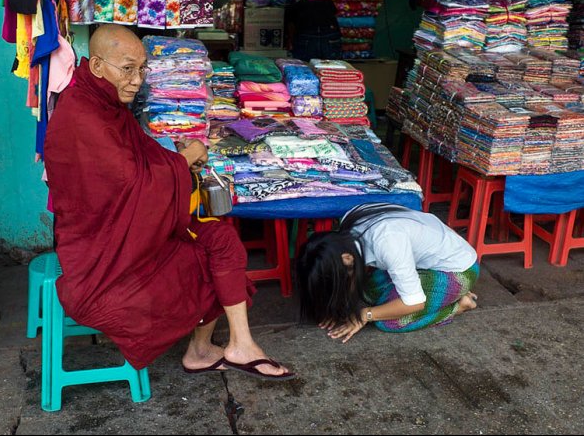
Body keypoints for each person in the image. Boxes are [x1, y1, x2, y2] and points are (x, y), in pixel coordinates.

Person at [43, 25, 293, 380]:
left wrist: (174, 158)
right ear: (97, 66)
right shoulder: (81, 114)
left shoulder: (105, 101)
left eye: (142, 69)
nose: (136, 80)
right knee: (201, 264)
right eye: (127, 68)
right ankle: (209, 348)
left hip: (133, 229)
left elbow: (136, 161)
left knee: (222, 240)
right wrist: (186, 158)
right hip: (103, 250)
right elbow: (131, 182)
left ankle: (231, 345)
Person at [296, 203, 480, 343]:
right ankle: (445, 296)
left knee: (389, 321)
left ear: (347, 259)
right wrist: (336, 306)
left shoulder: (389, 242)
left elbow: (414, 303)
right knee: (369, 295)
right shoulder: (348, 224)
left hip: (458, 270)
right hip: (423, 263)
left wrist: (364, 315)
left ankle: (459, 304)